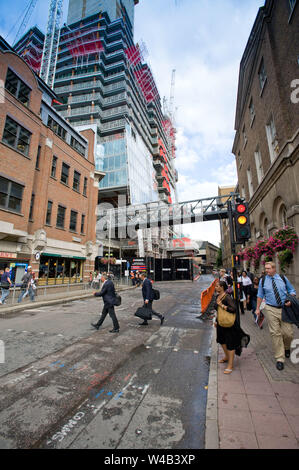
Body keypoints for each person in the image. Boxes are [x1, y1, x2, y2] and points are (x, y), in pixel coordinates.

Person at [256, 261, 296, 371]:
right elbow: (260, 295)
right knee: (275, 333)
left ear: (274, 269)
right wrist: (257, 308)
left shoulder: (282, 278)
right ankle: (280, 358)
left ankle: (287, 347)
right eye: (266, 268)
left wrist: (290, 299)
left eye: (268, 268)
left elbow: (292, 290)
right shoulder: (263, 280)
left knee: (288, 333)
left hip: (284, 309)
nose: (266, 270)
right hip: (270, 308)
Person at [214, 280, 250, 374]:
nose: (216, 287)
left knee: (230, 343)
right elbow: (217, 310)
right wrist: (216, 321)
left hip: (229, 324)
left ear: (222, 287)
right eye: (216, 286)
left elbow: (233, 309)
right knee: (221, 340)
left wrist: (222, 305)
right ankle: (226, 356)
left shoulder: (227, 297)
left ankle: (230, 365)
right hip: (221, 323)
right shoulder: (217, 296)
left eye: (217, 286)